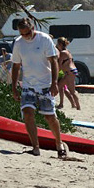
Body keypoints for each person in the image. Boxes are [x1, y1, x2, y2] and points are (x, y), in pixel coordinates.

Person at [10, 17, 66, 158]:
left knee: (50, 118)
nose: (25, 37)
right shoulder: (18, 43)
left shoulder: (44, 39)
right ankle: (35, 147)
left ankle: (59, 144)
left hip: (45, 84)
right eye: (22, 34)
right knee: (28, 114)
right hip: (28, 84)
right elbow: (16, 65)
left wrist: (54, 83)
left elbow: (54, 61)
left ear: (33, 28)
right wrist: (14, 87)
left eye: (27, 33)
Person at [56, 37, 80, 111]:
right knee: (61, 87)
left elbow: (59, 65)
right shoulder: (67, 51)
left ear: (60, 44)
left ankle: (77, 106)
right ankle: (74, 105)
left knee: (71, 91)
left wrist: (54, 73)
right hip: (71, 71)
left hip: (69, 72)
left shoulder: (63, 53)